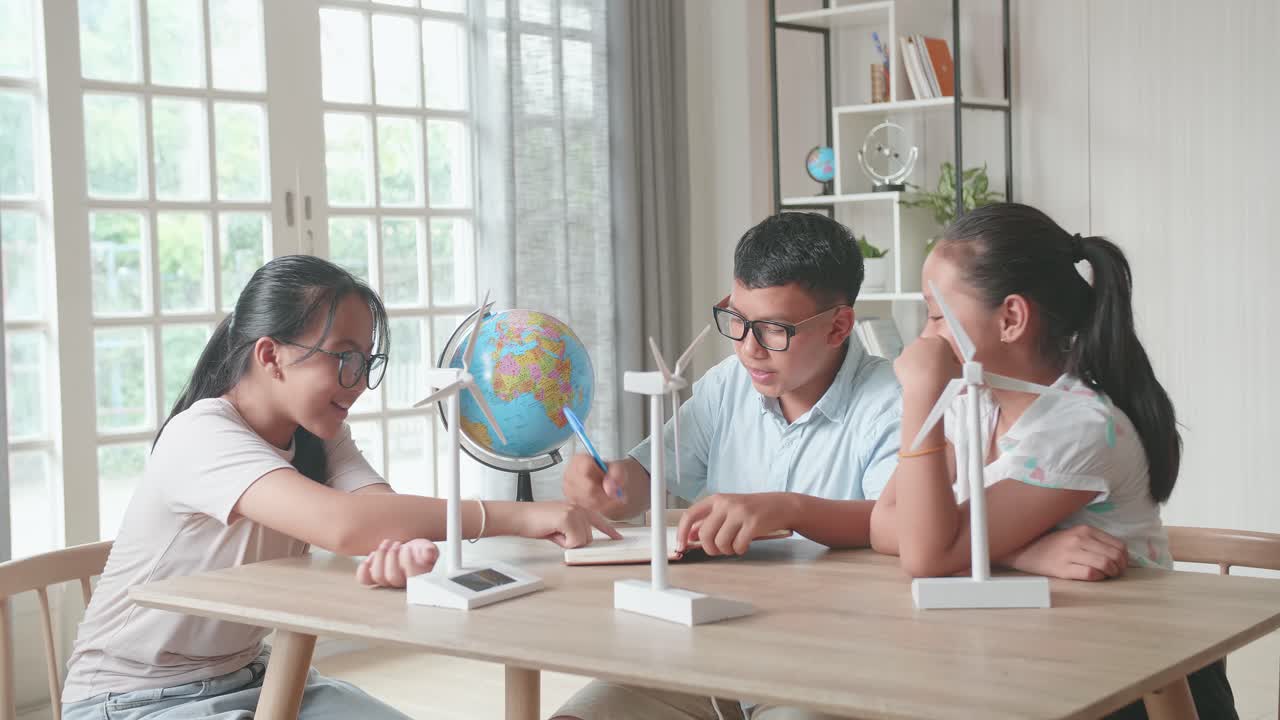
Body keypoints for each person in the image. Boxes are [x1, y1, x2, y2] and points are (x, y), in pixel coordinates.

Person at [61, 255, 617, 720]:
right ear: (270, 355)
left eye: (366, 361)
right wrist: (521, 515)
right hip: (130, 701)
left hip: (254, 678)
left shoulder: (318, 436)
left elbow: (376, 512)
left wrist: (396, 551)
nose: (357, 382)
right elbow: (344, 526)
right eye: (344, 358)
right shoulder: (201, 433)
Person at [869, 203, 1236, 719]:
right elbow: (886, 523)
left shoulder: (1081, 427)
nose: (925, 336)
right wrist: (1025, 552)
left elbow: (924, 555)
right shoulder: (976, 404)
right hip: (1041, 666)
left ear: (1012, 318)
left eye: (935, 314)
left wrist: (919, 397)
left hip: (1137, 682)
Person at [555, 212, 903, 720]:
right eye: (737, 319)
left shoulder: (892, 402)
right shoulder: (727, 386)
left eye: (775, 329)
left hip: (828, 659)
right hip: (703, 645)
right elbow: (645, 477)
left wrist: (790, 510)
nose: (748, 347)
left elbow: (894, 525)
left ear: (839, 326)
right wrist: (608, 485)